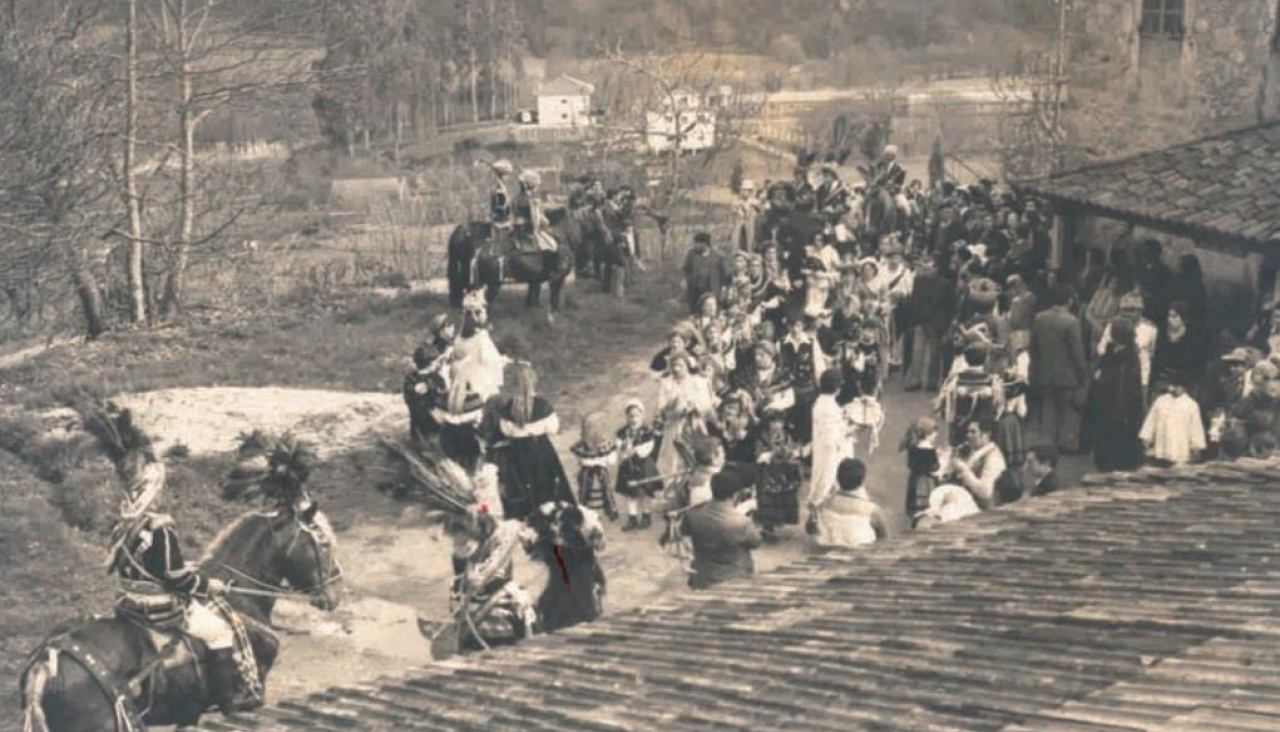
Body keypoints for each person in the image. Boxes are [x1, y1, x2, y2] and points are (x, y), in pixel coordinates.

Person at [96, 416, 244, 715]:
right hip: (160, 610)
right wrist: (209, 585)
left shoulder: (123, 524)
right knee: (220, 631)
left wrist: (180, 565)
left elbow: (139, 566)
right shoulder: (160, 526)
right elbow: (174, 577)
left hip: (128, 605)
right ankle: (228, 701)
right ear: (155, 486)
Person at [492, 362, 575, 521]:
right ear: (533, 382)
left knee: (524, 483)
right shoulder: (542, 406)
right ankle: (553, 515)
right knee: (547, 483)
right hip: (541, 450)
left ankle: (528, 515)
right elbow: (553, 428)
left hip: (518, 453)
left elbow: (505, 431)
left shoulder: (509, 408)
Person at [1030, 284, 1088, 453]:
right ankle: (1067, 443)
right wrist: (1083, 376)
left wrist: (1034, 369)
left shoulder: (1039, 318)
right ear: (1068, 301)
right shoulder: (1071, 321)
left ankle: (1047, 441)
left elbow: (1034, 347)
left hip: (1045, 373)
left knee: (1048, 408)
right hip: (1067, 374)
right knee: (1069, 411)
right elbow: (1077, 352)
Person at [681, 471, 763, 590]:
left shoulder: (693, 514)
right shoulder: (742, 522)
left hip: (703, 577)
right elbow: (756, 542)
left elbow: (684, 533)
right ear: (735, 495)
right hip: (736, 577)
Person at [1089, 317, 1146, 472]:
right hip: (1105, 407)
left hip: (1120, 411)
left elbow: (1128, 389)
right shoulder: (1109, 355)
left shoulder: (1129, 359)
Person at [810, 458, 890, 551]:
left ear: (837, 479)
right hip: (859, 555)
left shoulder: (822, 506)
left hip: (825, 552)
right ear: (862, 481)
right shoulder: (872, 510)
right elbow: (885, 539)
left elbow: (810, 529)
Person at [904, 255, 952, 392]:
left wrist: (945, 324)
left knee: (934, 354)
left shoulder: (944, 284)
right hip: (920, 320)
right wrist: (912, 321)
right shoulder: (918, 281)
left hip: (935, 322)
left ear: (936, 268)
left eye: (929, 268)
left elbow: (948, 306)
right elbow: (914, 302)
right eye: (924, 268)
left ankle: (932, 382)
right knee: (917, 351)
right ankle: (915, 379)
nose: (926, 270)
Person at [1097, 292, 1159, 397]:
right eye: (1126, 310)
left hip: (1140, 378)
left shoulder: (1150, 329)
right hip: (1115, 375)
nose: (1129, 314)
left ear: (1140, 311)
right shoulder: (1113, 326)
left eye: (1133, 310)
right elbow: (1101, 349)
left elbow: (1151, 354)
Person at [809, 369, 856, 507]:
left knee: (822, 478)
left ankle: (820, 505)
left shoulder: (822, 402)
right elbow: (834, 435)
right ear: (837, 388)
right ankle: (820, 510)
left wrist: (844, 416)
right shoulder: (828, 407)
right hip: (831, 452)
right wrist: (852, 428)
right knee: (827, 479)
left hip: (823, 447)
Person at [753, 413, 804, 538]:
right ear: (768, 423)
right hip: (768, 472)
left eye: (780, 422)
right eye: (773, 422)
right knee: (768, 500)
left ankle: (778, 522)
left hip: (784, 473)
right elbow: (759, 454)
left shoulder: (786, 436)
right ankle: (767, 527)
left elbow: (794, 448)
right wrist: (771, 454)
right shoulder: (762, 437)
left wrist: (791, 452)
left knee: (782, 499)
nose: (777, 425)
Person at [453, 291, 510, 402]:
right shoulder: (481, 337)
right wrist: (504, 360)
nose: (487, 315)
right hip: (478, 383)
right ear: (477, 315)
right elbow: (491, 360)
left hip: (462, 383)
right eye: (485, 312)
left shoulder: (459, 337)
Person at [1140, 376, 1207, 467]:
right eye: (1173, 385)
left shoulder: (1191, 405)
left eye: (1178, 386)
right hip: (1162, 446)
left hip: (1180, 446)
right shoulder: (1161, 401)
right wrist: (1147, 437)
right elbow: (1151, 420)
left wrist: (1196, 446)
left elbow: (1196, 427)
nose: (1175, 388)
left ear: (1184, 388)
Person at [615, 401, 661, 531]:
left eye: (636, 416)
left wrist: (635, 450)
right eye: (631, 416)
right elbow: (618, 445)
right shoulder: (623, 432)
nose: (633, 419)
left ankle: (646, 515)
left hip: (644, 464)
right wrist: (624, 447)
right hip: (628, 466)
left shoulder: (647, 431)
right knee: (631, 493)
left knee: (646, 491)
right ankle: (632, 517)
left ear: (642, 415)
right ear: (627, 417)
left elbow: (649, 446)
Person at [570, 413, 619, 521]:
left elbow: (612, 460)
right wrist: (598, 461)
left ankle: (608, 510)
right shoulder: (582, 445)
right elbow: (582, 460)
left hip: (600, 472)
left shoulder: (605, 445)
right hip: (587, 473)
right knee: (584, 491)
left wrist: (600, 460)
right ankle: (584, 511)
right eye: (587, 429)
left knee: (605, 489)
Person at [900, 415, 941, 520]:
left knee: (916, 510)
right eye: (934, 432)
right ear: (928, 433)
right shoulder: (930, 449)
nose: (936, 435)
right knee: (929, 506)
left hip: (915, 481)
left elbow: (911, 465)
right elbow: (935, 467)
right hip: (927, 482)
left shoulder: (913, 448)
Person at [404, 344, 447, 443]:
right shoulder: (437, 378)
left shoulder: (410, 378)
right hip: (434, 423)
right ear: (431, 363)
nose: (438, 364)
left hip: (416, 424)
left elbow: (408, 398)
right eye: (437, 362)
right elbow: (443, 399)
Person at [682, 232, 728, 315]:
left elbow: (724, 273)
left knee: (712, 312)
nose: (695, 245)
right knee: (696, 313)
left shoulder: (717, 256)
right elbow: (686, 269)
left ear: (704, 244)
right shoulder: (692, 254)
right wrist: (685, 280)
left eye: (697, 243)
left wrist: (724, 288)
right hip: (696, 291)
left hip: (712, 289)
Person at [512, 169, 557, 253]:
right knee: (552, 246)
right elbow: (535, 220)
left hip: (517, 230)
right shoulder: (531, 201)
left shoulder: (515, 198)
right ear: (533, 186)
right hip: (528, 231)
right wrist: (545, 223)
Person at [488, 159, 514, 234]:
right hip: (501, 222)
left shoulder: (498, 185)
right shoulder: (499, 188)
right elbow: (501, 206)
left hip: (500, 219)